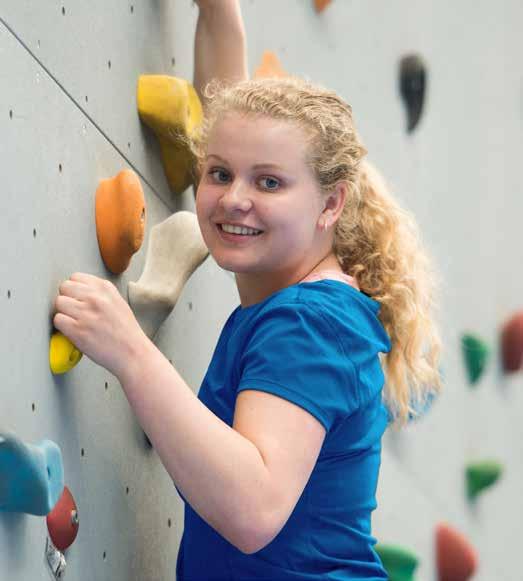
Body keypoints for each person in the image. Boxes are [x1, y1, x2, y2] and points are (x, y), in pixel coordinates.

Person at [53, 1, 442, 579]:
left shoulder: (311, 322)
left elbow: (253, 506)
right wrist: (222, 19)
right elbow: (234, 124)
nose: (235, 197)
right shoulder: (302, 294)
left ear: (330, 205)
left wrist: (129, 350)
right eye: (218, 173)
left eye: (269, 182)